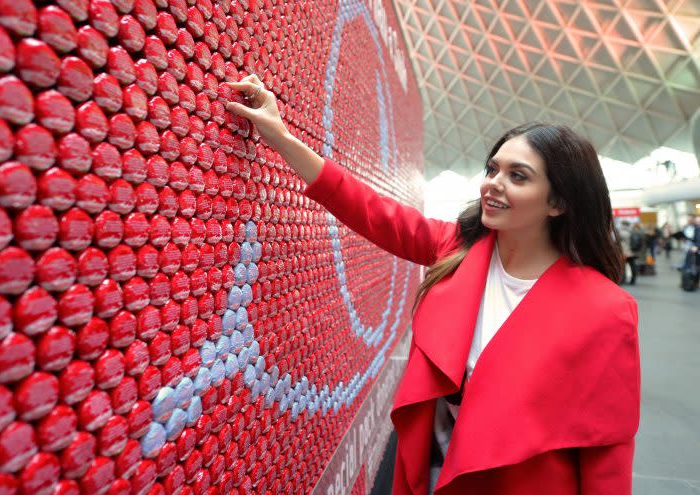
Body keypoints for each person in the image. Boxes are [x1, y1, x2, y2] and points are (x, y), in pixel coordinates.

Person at [226, 74, 640, 495]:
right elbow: (366, 207)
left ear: (558, 203)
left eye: (518, 176)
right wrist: (279, 137)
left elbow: (606, 450)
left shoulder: (605, 309)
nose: (493, 184)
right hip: (432, 477)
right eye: (493, 169)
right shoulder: (456, 248)